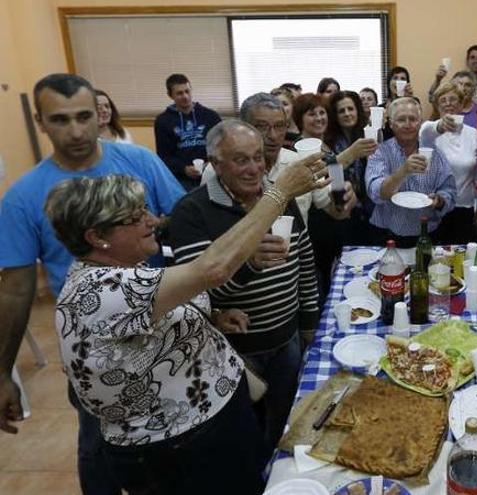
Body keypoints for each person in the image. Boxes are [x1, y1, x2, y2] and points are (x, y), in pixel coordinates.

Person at [47, 147, 327, 494]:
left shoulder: (124, 272)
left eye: (146, 210)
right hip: (181, 450)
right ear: (96, 237)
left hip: (211, 428)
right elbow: (212, 269)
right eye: (135, 218)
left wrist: (212, 317)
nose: (152, 220)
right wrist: (279, 192)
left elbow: (150, 323)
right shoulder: (99, 290)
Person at [0, 73, 184, 495]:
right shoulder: (23, 197)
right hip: (93, 349)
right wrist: (1, 371)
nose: (78, 131)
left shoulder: (140, 163)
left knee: (168, 438)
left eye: (85, 116)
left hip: (158, 326)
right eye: (61, 120)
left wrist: (155, 226)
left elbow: (181, 220)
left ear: (100, 113)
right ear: (41, 121)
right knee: (100, 446)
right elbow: (15, 287)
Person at [168, 118, 325, 449]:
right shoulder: (192, 212)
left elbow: (305, 262)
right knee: (242, 437)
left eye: (258, 157)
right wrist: (248, 263)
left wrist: (310, 322)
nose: (254, 168)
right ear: (215, 164)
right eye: (241, 160)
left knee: (285, 423)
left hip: (287, 338)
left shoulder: (278, 195)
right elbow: (197, 295)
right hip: (235, 352)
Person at [292, 93, 370, 296]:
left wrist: (347, 197)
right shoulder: (298, 151)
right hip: (318, 229)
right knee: (323, 285)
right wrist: (351, 153)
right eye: (312, 114)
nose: (319, 118)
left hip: (337, 223)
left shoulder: (326, 145)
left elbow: (336, 183)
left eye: (322, 112)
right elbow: (319, 178)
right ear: (300, 119)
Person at [366, 97, 456, 247]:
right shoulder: (380, 152)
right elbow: (376, 193)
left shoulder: (435, 153)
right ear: (391, 124)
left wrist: (439, 200)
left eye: (413, 119)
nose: (408, 124)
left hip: (428, 234)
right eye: (401, 119)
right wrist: (403, 170)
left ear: (420, 123)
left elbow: (450, 191)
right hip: (387, 234)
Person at [419, 82, 477, 244]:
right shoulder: (429, 131)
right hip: (435, 208)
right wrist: (441, 125)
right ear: (437, 105)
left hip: (465, 208)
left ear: (462, 104)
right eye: (443, 100)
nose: (448, 103)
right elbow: (427, 131)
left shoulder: (472, 134)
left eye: (453, 99)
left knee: (464, 260)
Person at [326, 90, 381, 246]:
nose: (347, 114)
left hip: (369, 209)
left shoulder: (368, 136)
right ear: (335, 116)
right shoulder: (330, 143)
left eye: (351, 109)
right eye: (341, 111)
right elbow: (331, 173)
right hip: (344, 210)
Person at [154, 73, 222, 190]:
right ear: (170, 96)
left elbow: (222, 146)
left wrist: (210, 164)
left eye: (187, 91)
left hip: (211, 172)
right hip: (181, 177)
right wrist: (184, 169)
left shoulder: (211, 116)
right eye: (179, 93)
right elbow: (163, 156)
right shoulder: (162, 121)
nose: (185, 96)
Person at [380, 66, 415, 139]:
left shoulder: (413, 103)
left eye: (403, 79)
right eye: (395, 78)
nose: (398, 81)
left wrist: (408, 100)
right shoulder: (380, 108)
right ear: (389, 83)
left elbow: (415, 128)